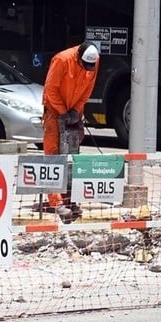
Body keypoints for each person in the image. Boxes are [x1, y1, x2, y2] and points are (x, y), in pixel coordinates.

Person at [41, 41, 100, 218]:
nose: (88, 68)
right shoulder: (62, 60)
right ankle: (56, 201)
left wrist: (76, 111)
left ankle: (69, 198)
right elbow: (51, 90)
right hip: (54, 112)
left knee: (72, 155)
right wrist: (62, 112)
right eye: (84, 65)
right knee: (53, 156)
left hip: (74, 111)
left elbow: (89, 87)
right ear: (78, 57)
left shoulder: (94, 61)